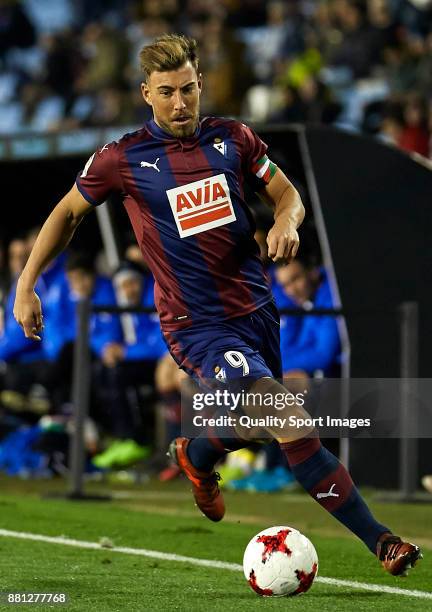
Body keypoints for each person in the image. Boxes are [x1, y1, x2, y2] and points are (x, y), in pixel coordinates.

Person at [13, 33, 420, 577]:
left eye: (187, 90)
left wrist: (285, 221)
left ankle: (197, 454)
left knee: (254, 423)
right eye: (166, 92)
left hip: (256, 310)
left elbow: (287, 194)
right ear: (146, 94)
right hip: (197, 325)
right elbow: (67, 213)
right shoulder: (122, 158)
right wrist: (26, 283)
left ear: (201, 85)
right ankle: (383, 542)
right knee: (288, 415)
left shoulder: (234, 138)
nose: (179, 103)